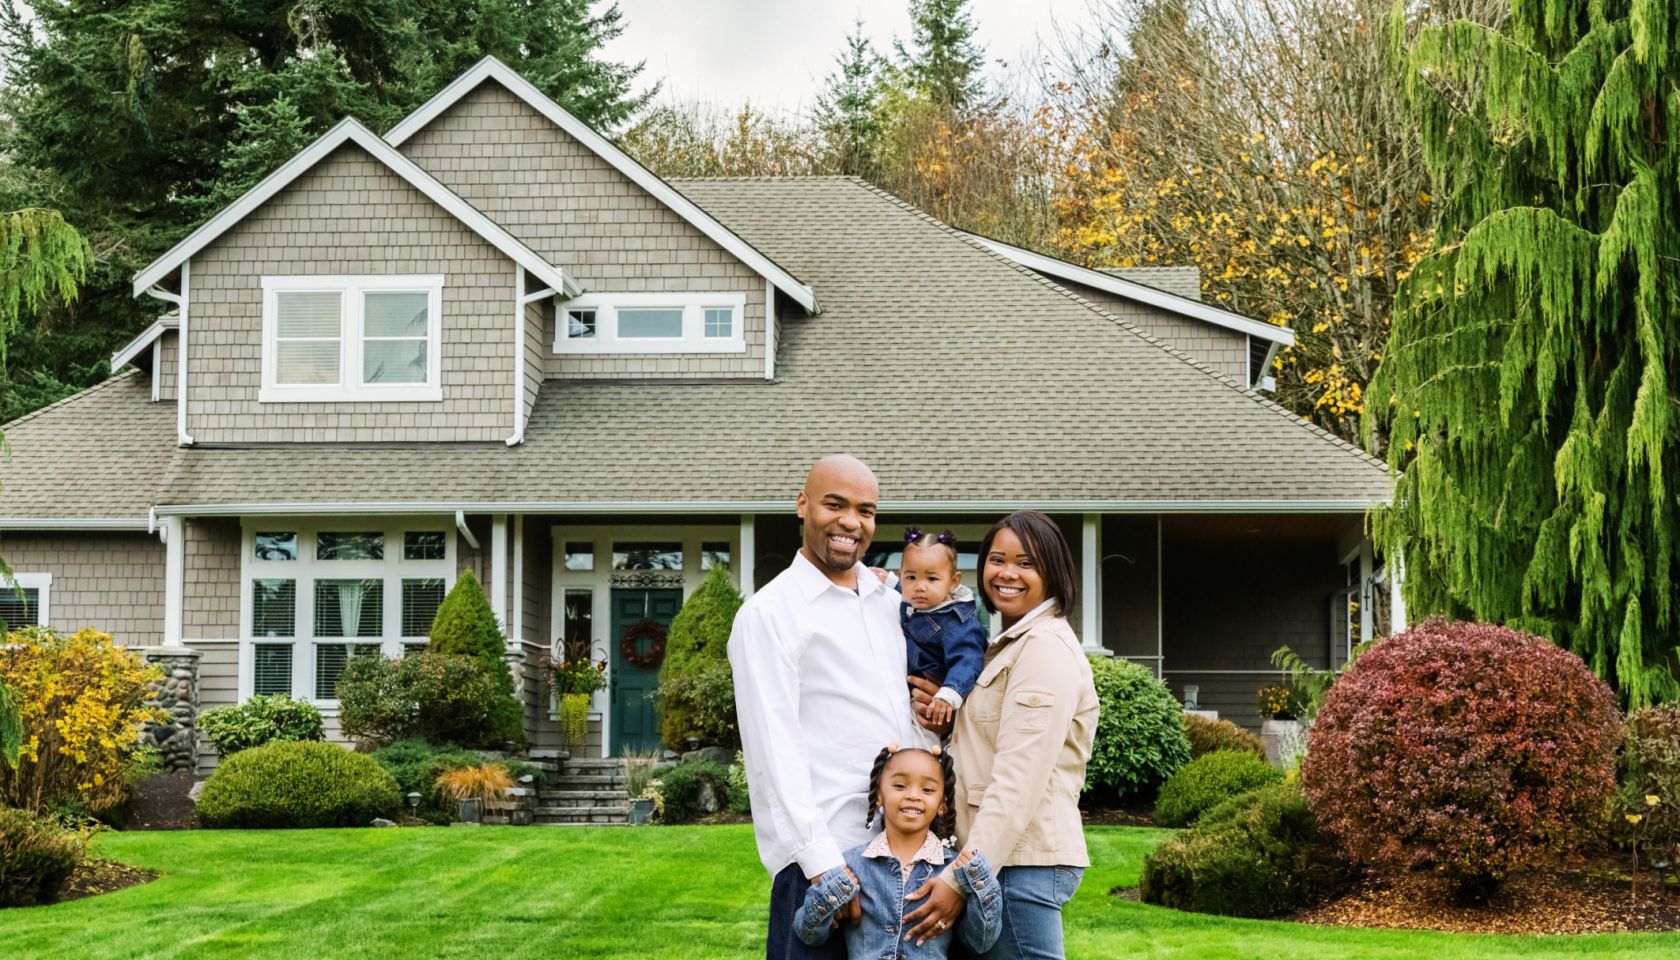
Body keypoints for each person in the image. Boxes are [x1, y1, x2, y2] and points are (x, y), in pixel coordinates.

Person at [729, 455, 936, 960]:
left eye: (865, 511)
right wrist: (824, 867)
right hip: (823, 865)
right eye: (834, 504)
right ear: (802, 506)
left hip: (903, 861)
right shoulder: (770, 615)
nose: (850, 522)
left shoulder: (892, 603)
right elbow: (773, 752)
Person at [901, 510, 1100, 960]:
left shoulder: (1044, 649)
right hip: (998, 859)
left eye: (1026, 562)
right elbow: (994, 744)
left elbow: (1019, 780)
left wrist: (959, 878)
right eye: (997, 559)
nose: (1007, 573)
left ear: (1054, 571)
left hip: (1018, 863)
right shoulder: (1010, 643)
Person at [793, 745, 1000, 958]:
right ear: (879, 796)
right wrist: (834, 889)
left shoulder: (954, 872)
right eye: (900, 786)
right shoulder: (850, 865)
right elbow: (808, 933)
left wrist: (979, 880)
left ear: (942, 805)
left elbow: (980, 942)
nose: (913, 795)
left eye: (927, 790)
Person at [897, 528, 988, 727]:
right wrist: (883, 579)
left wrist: (948, 694)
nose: (920, 587)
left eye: (932, 579)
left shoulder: (958, 624)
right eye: (911, 577)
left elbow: (969, 661)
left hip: (935, 703)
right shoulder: (914, 602)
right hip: (904, 699)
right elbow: (899, 589)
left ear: (953, 582)